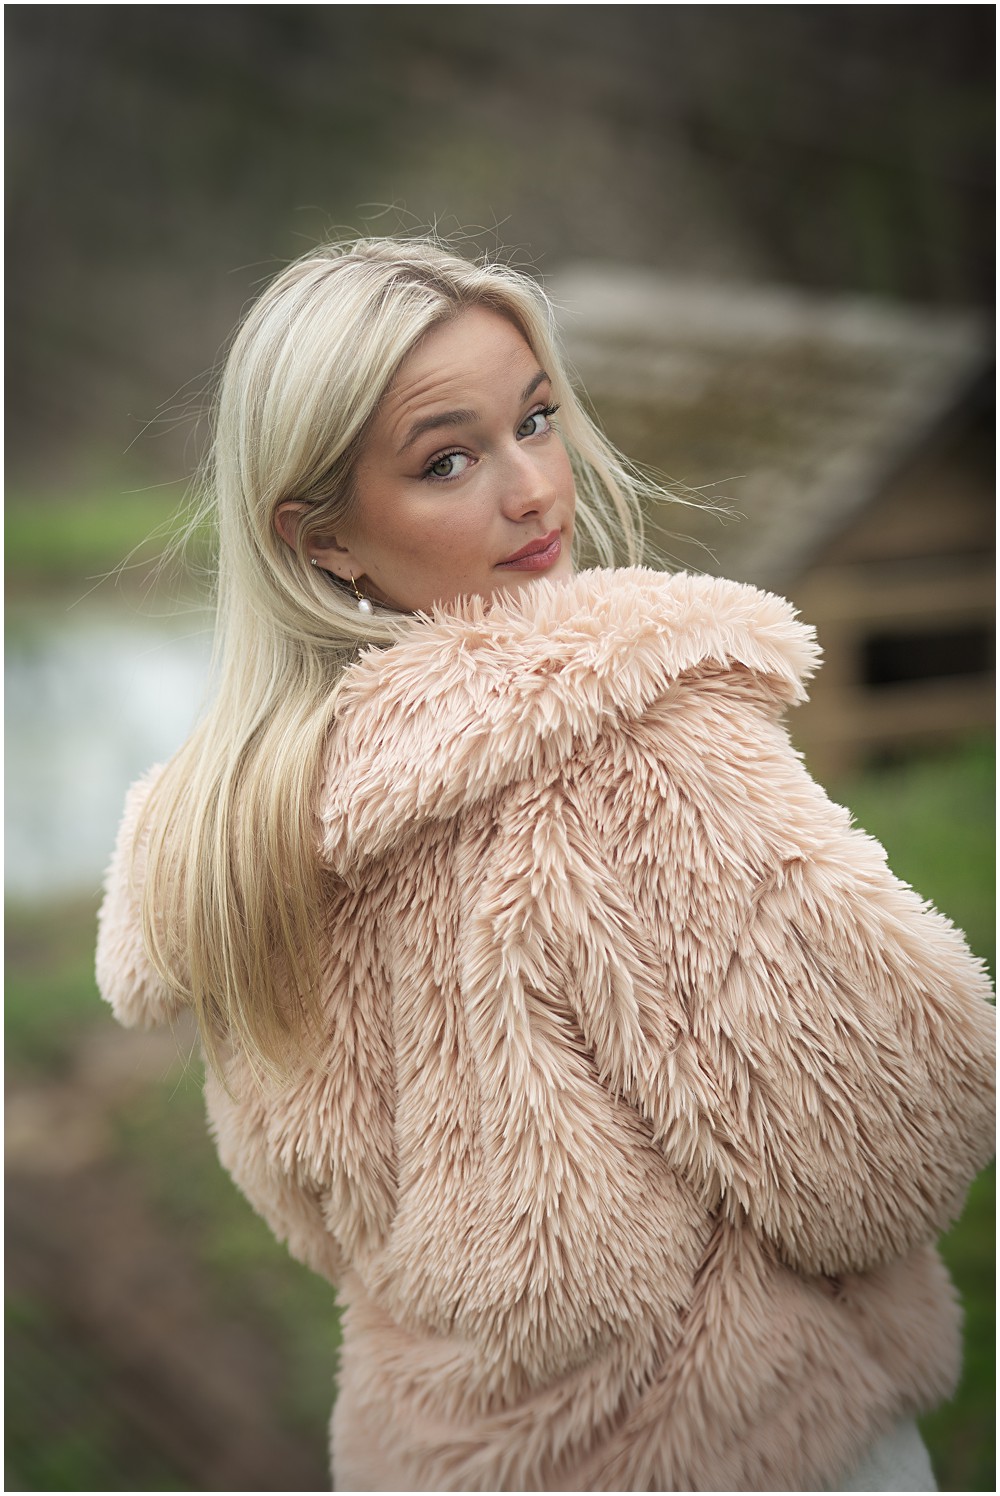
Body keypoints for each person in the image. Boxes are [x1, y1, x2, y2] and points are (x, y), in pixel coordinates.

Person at [96, 236, 995, 1493]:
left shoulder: (231, 833)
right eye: (447, 459)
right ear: (322, 537)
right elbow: (883, 1151)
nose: (530, 488)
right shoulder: (620, 742)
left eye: (535, 418)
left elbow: (311, 1208)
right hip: (745, 1451)